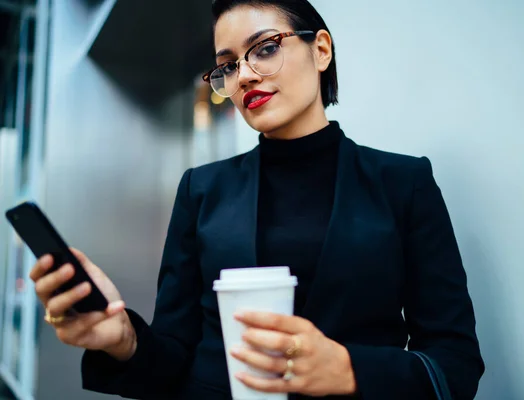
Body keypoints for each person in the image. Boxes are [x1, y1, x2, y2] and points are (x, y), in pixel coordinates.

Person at [29, 0, 484, 398]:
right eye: (226, 65)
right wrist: (124, 339)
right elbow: (173, 357)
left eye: (265, 48)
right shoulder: (201, 190)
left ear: (321, 49)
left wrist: (349, 370)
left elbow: (456, 362)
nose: (244, 75)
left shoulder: (404, 182)